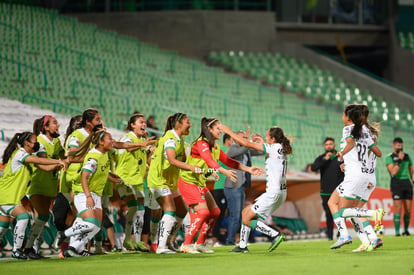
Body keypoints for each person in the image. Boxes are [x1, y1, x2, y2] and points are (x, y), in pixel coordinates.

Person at [178, 117, 263, 254]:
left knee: (215, 212)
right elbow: (209, 161)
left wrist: (248, 169)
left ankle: (199, 244)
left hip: (198, 182)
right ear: (209, 129)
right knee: (204, 212)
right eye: (218, 128)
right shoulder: (201, 143)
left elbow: (229, 161)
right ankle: (186, 244)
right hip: (188, 182)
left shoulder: (215, 147)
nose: (221, 130)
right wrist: (224, 172)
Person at [53, 129, 124, 257]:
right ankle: (63, 234)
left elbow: (100, 171)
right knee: (90, 223)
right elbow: (84, 177)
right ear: (101, 142)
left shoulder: (103, 155)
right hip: (83, 193)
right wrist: (88, 196)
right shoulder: (93, 157)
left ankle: (74, 248)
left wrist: (113, 178)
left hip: (95, 193)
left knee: (96, 227)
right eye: (109, 139)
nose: (112, 141)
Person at [221, 125, 291, 253]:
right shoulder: (280, 148)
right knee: (246, 214)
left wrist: (228, 131)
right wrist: (263, 142)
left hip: (273, 192)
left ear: (273, 139)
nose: (264, 137)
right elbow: (272, 152)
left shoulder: (274, 147)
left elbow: (245, 143)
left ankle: (274, 234)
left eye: (267, 136)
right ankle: (242, 246)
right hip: (281, 192)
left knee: (246, 216)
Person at [0, 132, 66, 259]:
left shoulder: (26, 156)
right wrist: (59, 161)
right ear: (26, 143)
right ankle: (17, 250)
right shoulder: (20, 153)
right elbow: (39, 160)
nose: (37, 144)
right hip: (7, 195)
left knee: (3, 227)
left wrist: (60, 164)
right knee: (23, 217)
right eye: (34, 141)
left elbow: (44, 167)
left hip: (7, 195)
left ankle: (18, 250)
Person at [328, 104, 383, 252]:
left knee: (339, 208)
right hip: (368, 175)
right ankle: (370, 239)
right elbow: (378, 153)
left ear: (348, 117)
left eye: (343, 113)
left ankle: (371, 216)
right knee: (354, 209)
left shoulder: (349, 129)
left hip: (355, 176)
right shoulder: (366, 131)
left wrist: (341, 153)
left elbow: (350, 144)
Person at [148, 112, 201, 254]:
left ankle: (169, 241)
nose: (190, 125)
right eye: (187, 122)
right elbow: (172, 160)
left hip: (169, 182)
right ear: (178, 124)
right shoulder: (170, 139)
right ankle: (161, 246)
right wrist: (191, 167)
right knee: (170, 210)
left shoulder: (179, 140)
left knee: (182, 210)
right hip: (158, 180)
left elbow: (183, 159)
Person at [24, 115, 66, 259]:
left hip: (50, 186)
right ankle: (28, 248)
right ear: (46, 127)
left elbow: (65, 157)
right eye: (54, 123)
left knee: (41, 218)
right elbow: (42, 160)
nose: (58, 125)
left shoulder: (56, 141)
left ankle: (32, 249)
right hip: (37, 185)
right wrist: (58, 163)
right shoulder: (40, 140)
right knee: (42, 216)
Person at [115, 113, 156, 251]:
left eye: (144, 122)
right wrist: (144, 144)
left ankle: (135, 241)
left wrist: (150, 150)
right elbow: (129, 147)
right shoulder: (128, 137)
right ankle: (127, 240)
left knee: (140, 211)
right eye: (140, 122)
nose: (144, 124)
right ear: (132, 125)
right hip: (124, 179)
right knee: (133, 208)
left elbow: (145, 161)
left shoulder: (140, 141)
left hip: (137, 180)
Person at [224, 129, 263, 246]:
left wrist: (260, 142)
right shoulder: (233, 148)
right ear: (235, 139)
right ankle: (230, 241)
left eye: (244, 138)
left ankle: (239, 240)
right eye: (241, 137)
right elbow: (244, 147)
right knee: (234, 216)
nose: (243, 140)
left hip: (240, 187)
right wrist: (249, 141)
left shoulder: (245, 150)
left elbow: (261, 152)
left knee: (241, 215)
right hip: (232, 187)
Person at [311, 137, 344, 240]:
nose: (329, 146)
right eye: (327, 144)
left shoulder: (340, 157)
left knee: (341, 213)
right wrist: (325, 159)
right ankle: (330, 236)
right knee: (328, 214)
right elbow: (313, 168)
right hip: (325, 191)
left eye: (330, 144)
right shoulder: (321, 158)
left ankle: (342, 233)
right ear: (324, 146)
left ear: (334, 145)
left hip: (339, 190)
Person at [386, 137, 414, 236]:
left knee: (408, 209)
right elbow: (393, 172)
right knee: (398, 208)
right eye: (398, 145)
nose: (400, 147)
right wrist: (399, 160)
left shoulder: (407, 156)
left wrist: (413, 179)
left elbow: (411, 169)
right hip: (396, 183)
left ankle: (406, 230)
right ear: (393, 146)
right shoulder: (389, 157)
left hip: (407, 183)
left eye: (401, 145)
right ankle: (397, 232)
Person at [211, 133, 233, 247]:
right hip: (220, 186)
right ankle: (214, 241)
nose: (233, 142)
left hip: (226, 186)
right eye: (232, 140)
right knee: (219, 214)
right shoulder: (224, 150)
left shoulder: (226, 150)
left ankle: (220, 239)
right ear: (227, 140)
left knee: (224, 214)